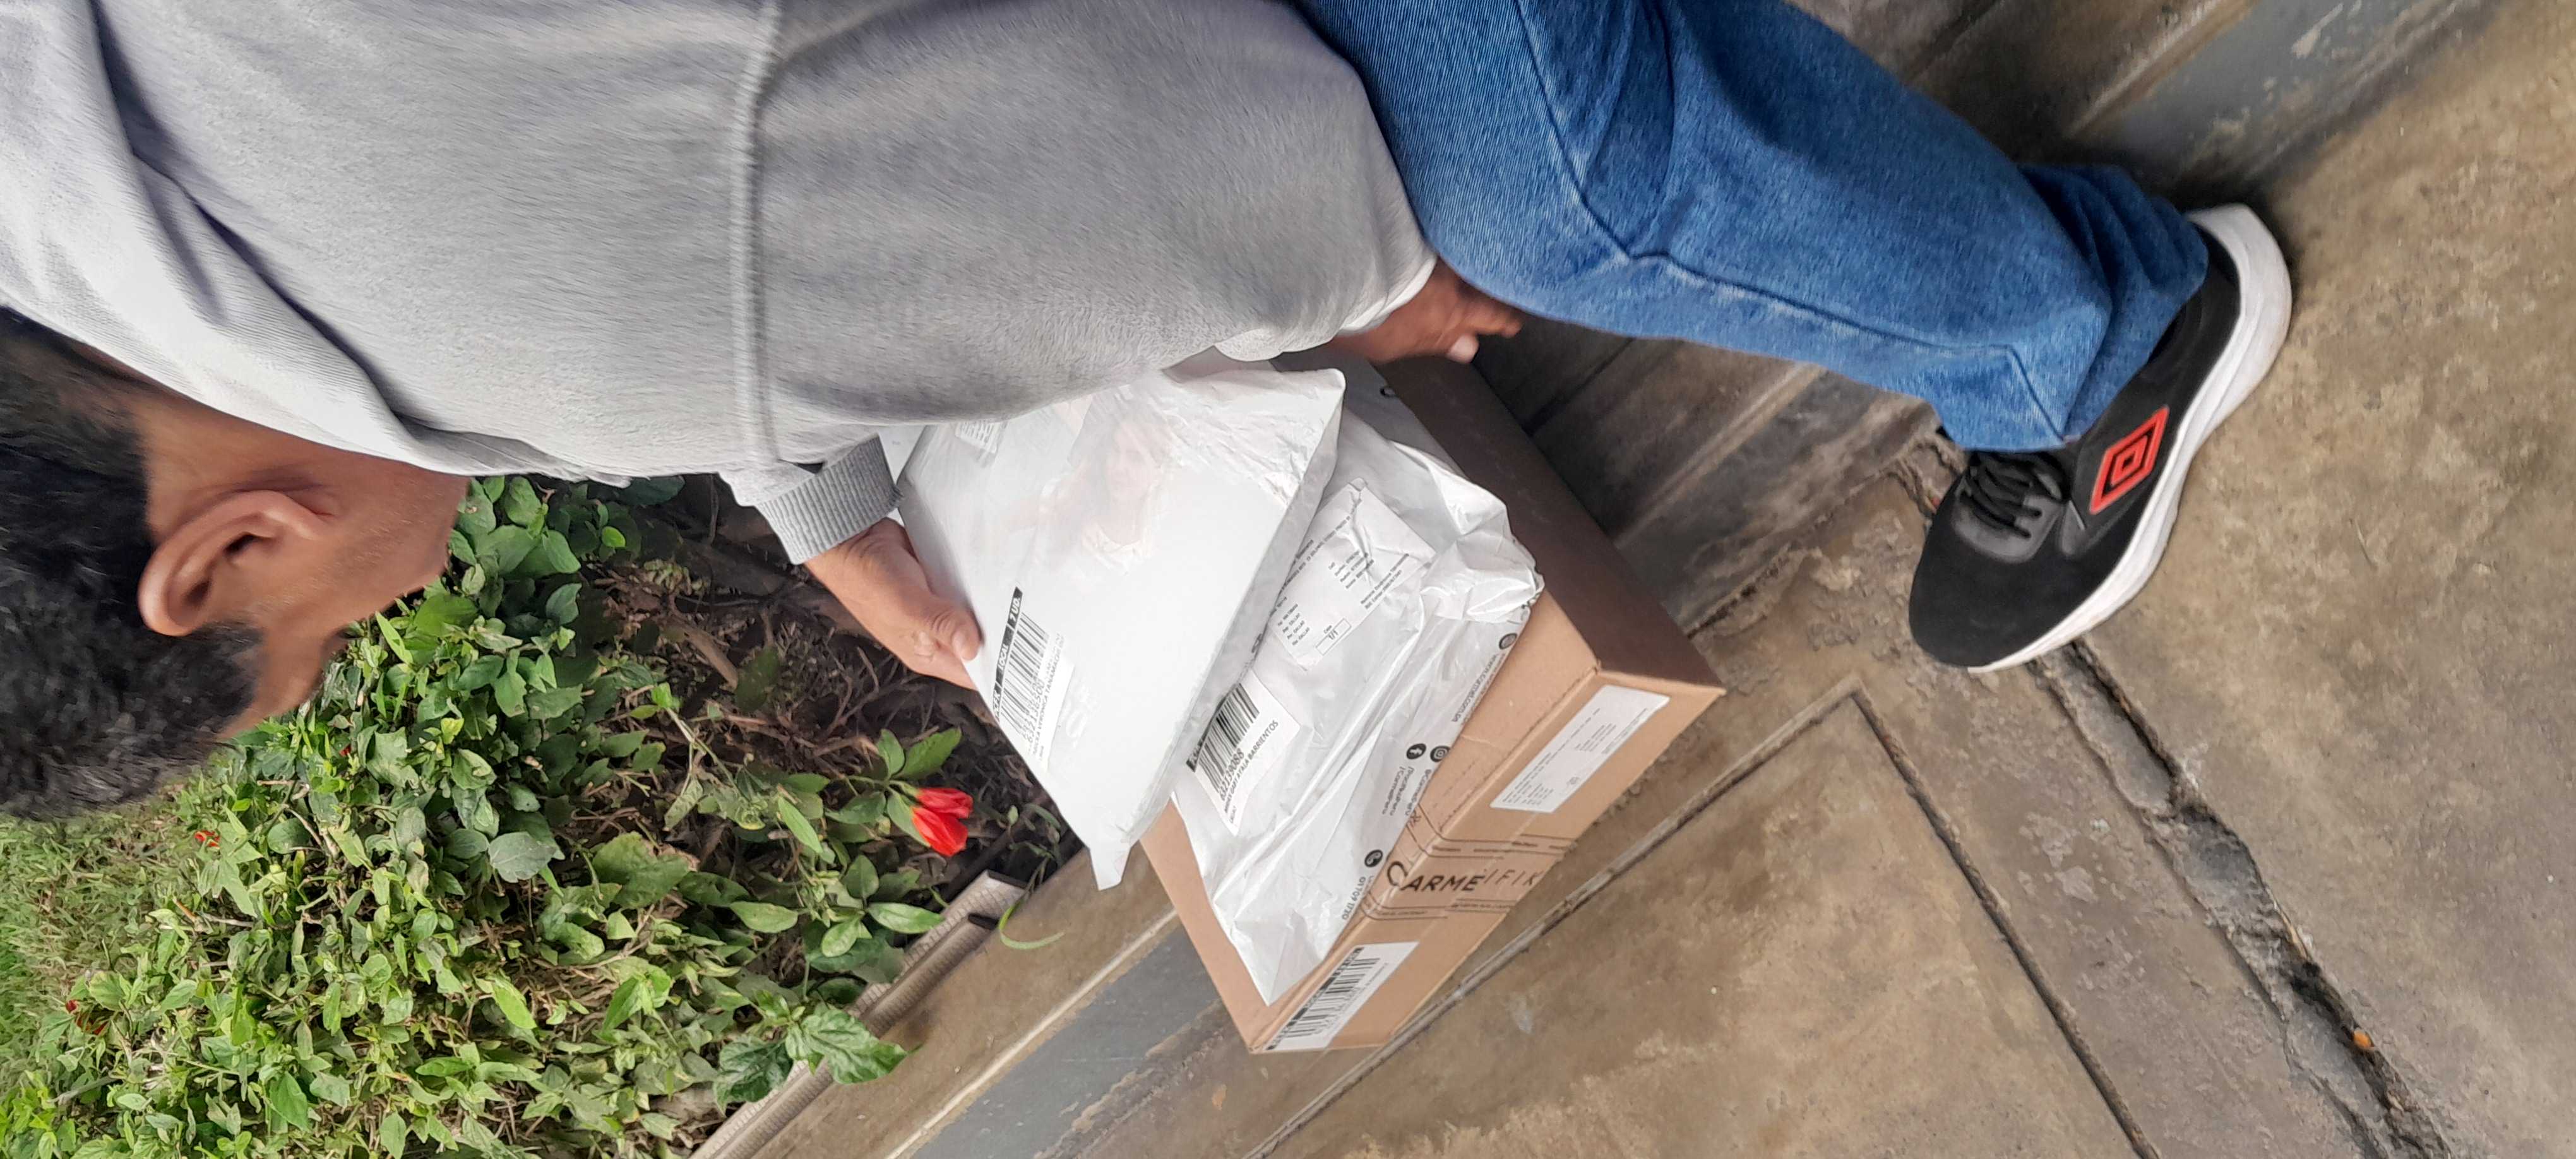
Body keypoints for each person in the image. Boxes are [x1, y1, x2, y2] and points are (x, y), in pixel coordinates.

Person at [0, 0, 2287, 817]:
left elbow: (1164, 170)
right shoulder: (86, 141)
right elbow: (671, 138)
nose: (373, 618)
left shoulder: (497, 298)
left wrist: (1374, 282)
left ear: (225, 556)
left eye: (323, 642)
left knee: (1549, 187)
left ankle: (2099, 350)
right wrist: (815, 494)